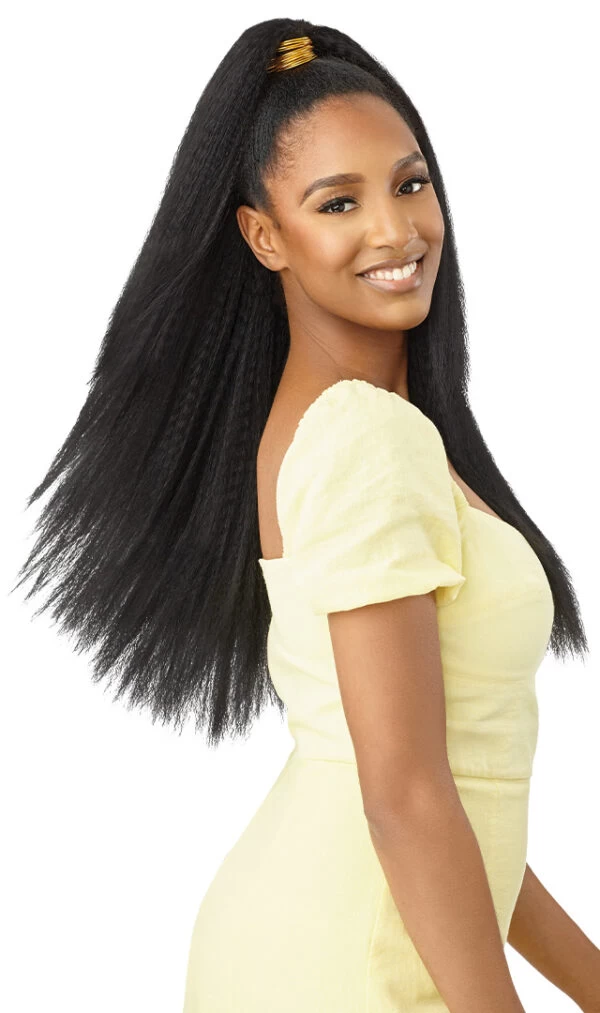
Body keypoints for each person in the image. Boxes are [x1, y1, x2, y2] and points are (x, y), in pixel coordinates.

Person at [13, 17, 598, 1013]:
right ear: (264, 235)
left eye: (410, 183)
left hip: (346, 935)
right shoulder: (363, 438)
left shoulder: (360, 429)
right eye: (339, 202)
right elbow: (405, 799)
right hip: (346, 964)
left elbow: (456, 802)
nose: (397, 231)